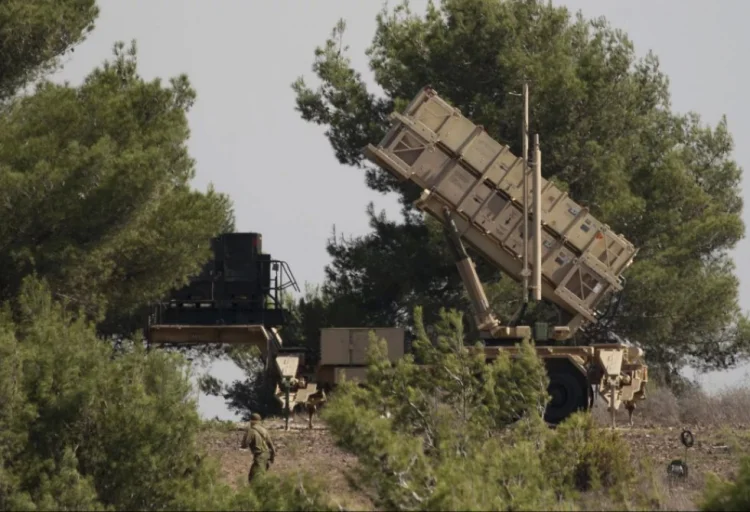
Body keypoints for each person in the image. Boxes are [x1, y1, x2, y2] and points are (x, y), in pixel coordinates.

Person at [241, 412, 276, 483]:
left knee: (256, 477)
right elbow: (272, 446)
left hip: (259, 456)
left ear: (251, 421)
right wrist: (272, 457)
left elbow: (244, 445)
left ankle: (260, 491)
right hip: (266, 455)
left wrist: (245, 435)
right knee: (254, 475)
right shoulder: (264, 430)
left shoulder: (251, 430)